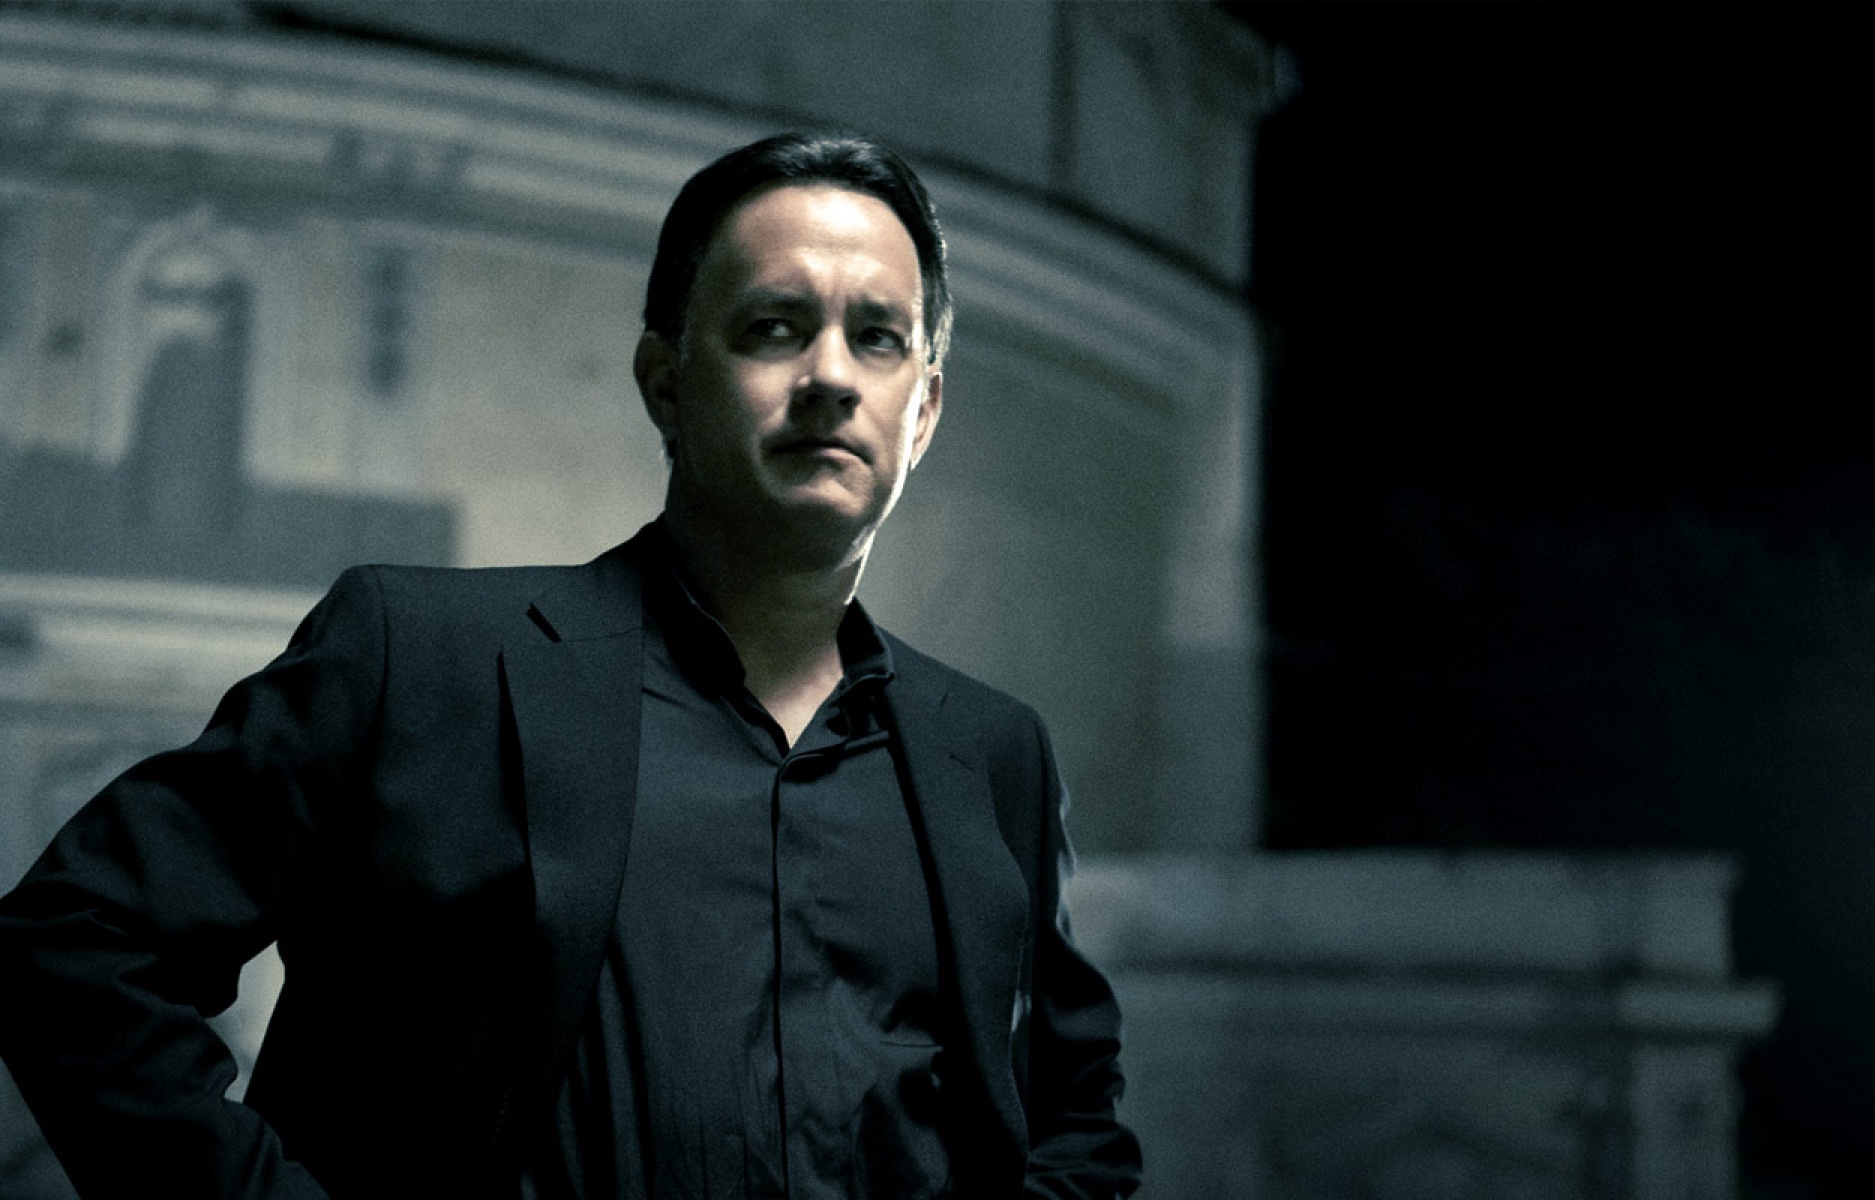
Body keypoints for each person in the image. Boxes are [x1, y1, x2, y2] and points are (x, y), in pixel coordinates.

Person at [0, 132, 1142, 1199]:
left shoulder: (994, 754)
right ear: (665, 381)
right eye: (774, 327)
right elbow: (76, 943)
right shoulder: (417, 660)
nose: (832, 376)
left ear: (923, 409)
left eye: (878, 338)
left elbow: (1073, 1112)